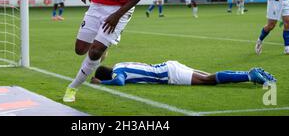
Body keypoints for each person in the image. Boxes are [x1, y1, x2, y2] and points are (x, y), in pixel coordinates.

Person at [90, 61, 276, 86]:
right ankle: (249, 73)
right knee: (210, 75)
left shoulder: (117, 72)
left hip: (168, 74)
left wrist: (101, 83)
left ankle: (249, 75)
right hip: (168, 65)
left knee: (207, 81)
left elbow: (120, 82)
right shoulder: (120, 64)